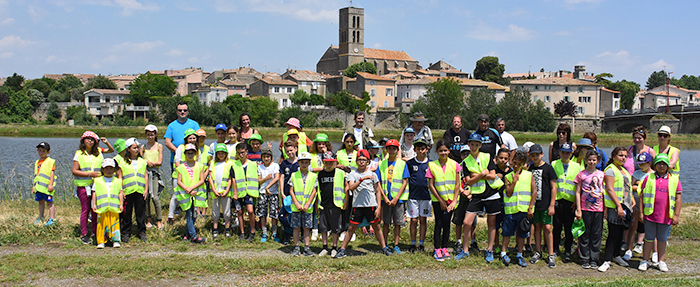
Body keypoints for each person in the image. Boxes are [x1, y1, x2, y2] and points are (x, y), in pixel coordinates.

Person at [334, 150, 393, 258]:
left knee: (376, 226)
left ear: (368, 162)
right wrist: (361, 179)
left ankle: (384, 247)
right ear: (356, 161)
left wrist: (379, 206)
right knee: (351, 227)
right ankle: (342, 249)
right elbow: (351, 188)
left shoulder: (373, 174)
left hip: (371, 204)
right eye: (359, 160)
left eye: (364, 160)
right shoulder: (353, 174)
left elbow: (377, 190)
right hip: (358, 206)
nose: (361, 162)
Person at [455, 133, 504, 262]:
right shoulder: (466, 162)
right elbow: (469, 181)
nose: (474, 147)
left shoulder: (487, 157)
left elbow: (493, 175)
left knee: (491, 223)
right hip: (476, 195)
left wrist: (476, 175)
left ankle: (489, 250)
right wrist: (482, 173)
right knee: (467, 222)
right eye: (472, 144)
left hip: (491, 193)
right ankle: (465, 250)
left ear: (480, 145)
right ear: (469, 145)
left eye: (476, 144)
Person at [637, 154, 682, 272]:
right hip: (650, 214)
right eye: (659, 163)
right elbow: (641, 195)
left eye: (664, 164)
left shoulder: (674, 180)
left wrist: (676, 215)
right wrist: (641, 212)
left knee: (662, 239)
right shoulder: (649, 177)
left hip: (666, 215)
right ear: (655, 165)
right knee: (649, 238)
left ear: (668, 166)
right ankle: (645, 260)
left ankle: (661, 261)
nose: (661, 166)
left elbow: (678, 198)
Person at [72, 131, 114, 245]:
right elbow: (74, 170)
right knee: (86, 210)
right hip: (84, 186)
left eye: (92, 139)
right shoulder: (79, 154)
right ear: (83, 140)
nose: (89, 141)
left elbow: (111, 150)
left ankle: (96, 233)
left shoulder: (99, 151)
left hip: (97, 185)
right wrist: (89, 174)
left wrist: (106, 142)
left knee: (96, 210)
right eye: (87, 139)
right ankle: (84, 234)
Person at [598, 147, 635, 272]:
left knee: (620, 233)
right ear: (614, 156)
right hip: (615, 206)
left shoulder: (624, 171)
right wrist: (618, 206)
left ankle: (616, 255)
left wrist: (632, 201)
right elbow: (609, 189)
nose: (623, 158)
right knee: (613, 234)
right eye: (620, 155)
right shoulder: (610, 170)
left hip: (626, 206)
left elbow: (627, 188)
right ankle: (607, 259)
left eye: (625, 156)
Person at [427, 140, 461, 261]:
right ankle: (437, 249)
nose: (443, 153)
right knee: (439, 223)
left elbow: (458, 184)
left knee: (447, 224)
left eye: (445, 150)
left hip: (451, 200)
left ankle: (445, 247)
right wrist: (440, 201)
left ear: (449, 151)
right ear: (437, 151)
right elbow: (431, 185)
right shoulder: (432, 165)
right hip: (438, 200)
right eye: (441, 150)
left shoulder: (455, 164)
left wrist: (454, 201)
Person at [501, 150, 536, 267]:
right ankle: (503, 253)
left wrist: (530, 207)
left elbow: (534, 191)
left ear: (523, 164)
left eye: (519, 164)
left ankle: (519, 255)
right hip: (511, 210)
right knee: (507, 233)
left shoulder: (529, 175)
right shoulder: (508, 176)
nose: (516, 166)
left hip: (523, 210)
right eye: (514, 163)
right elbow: (509, 193)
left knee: (522, 234)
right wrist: (514, 181)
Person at [527, 144, 558, 268]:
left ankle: (550, 254)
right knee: (537, 227)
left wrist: (552, 205)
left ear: (542, 154)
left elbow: (553, 187)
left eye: (537, 154)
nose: (535, 157)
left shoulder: (549, 168)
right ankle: (538, 251)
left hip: (546, 203)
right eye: (533, 155)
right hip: (535, 204)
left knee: (548, 228)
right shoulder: (530, 168)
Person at [574, 149, 605, 269]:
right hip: (585, 208)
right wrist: (578, 209)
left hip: (598, 209)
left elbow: (604, 193)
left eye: (594, 160)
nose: (591, 162)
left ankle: (594, 258)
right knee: (585, 233)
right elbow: (577, 192)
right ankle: (584, 258)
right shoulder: (581, 174)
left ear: (597, 161)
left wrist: (605, 210)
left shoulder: (602, 175)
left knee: (596, 234)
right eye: (589, 160)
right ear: (586, 160)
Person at [377, 139, 410, 255]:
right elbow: (379, 182)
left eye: (394, 148)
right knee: (386, 222)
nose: (391, 150)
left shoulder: (402, 164)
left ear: (397, 150)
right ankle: (384, 244)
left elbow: (404, 182)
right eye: (389, 148)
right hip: (386, 198)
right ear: (386, 149)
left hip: (398, 199)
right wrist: (385, 198)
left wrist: (396, 198)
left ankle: (396, 245)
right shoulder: (382, 164)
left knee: (398, 222)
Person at [552, 143, 582, 263]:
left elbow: (579, 185)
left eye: (568, 152)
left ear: (571, 153)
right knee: (557, 226)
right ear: (559, 152)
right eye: (563, 152)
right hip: (558, 200)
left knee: (569, 227)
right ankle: (555, 249)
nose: (565, 154)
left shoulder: (576, 166)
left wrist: (576, 201)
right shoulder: (554, 164)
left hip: (570, 201)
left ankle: (568, 250)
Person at [316, 151, 347, 257]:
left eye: (331, 162)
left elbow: (346, 187)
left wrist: (345, 201)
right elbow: (317, 190)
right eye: (326, 162)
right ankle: (324, 247)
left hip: (336, 204)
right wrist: (317, 204)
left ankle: (334, 247)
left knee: (335, 228)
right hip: (323, 204)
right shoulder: (320, 174)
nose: (329, 164)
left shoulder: (340, 173)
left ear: (335, 162)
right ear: (323, 162)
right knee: (323, 227)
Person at [174, 144, 206, 243]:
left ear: (195, 154)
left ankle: (187, 235)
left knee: (194, 215)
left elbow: (202, 180)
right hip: (186, 194)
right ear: (185, 154)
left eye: (192, 153)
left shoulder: (200, 166)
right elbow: (179, 181)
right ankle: (193, 236)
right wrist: (188, 189)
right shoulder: (181, 167)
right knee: (189, 214)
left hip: (196, 194)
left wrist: (192, 188)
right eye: (188, 153)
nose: (190, 155)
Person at [624, 152, 653, 261]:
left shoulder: (653, 174)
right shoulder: (636, 173)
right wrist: (639, 186)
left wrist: (638, 185)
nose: (641, 166)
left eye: (643, 163)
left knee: (651, 228)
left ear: (649, 163)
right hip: (636, 202)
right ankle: (629, 249)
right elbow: (631, 186)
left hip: (649, 203)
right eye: (639, 164)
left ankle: (653, 252)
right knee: (633, 225)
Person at [288, 151, 318, 256]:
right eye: (302, 162)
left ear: (309, 163)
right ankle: (296, 247)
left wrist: (308, 204)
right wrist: (296, 203)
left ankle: (306, 247)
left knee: (306, 228)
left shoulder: (313, 176)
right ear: (299, 163)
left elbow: (314, 191)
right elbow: (291, 190)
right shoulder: (294, 175)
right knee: (296, 227)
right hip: (296, 207)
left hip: (307, 207)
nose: (304, 165)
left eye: (306, 162)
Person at [167, 129, 199, 225]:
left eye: (194, 138)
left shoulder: (197, 150)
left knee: (193, 196)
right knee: (176, 196)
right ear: (186, 139)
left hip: (192, 177)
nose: (192, 140)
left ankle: (193, 216)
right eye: (190, 138)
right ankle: (170, 216)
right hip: (179, 176)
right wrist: (184, 172)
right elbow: (177, 162)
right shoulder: (181, 148)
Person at [120, 137, 149, 243]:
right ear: (128, 149)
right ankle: (126, 232)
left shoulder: (142, 161)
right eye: (134, 148)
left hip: (140, 190)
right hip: (128, 190)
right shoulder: (123, 162)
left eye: (137, 148)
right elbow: (120, 177)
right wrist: (121, 190)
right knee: (127, 213)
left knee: (140, 212)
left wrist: (146, 189)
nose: (136, 150)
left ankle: (141, 231)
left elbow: (145, 176)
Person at [91, 158, 124, 249]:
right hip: (102, 207)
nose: (109, 171)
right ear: (102, 169)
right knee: (101, 224)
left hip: (114, 206)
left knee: (114, 224)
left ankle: (115, 240)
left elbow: (120, 192)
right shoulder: (97, 180)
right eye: (106, 168)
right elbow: (94, 193)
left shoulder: (117, 181)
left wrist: (121, 204)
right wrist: (93, 204)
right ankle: (101, 241)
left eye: (111, 168)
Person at [406, 139, 431, 253]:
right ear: (414, 149)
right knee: (413, 220)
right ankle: (412, 243)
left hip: (426, 196)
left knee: (423, 220)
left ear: (426, 149)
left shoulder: (431, 163)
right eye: (418, 149)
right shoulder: (410, 163)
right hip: (413, 195)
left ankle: (421, 243)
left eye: (423, 149)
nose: (420, 151)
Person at [232, 142, 260, 242]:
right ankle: (242, 232)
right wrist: (235, 193)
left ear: (246, 152)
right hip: (239, 192)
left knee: (251, 211)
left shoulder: (253, 164)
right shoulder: (234, 165)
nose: (241, 155)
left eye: (243, 152)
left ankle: (252, 231)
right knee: (240, 212)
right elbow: (233, 180)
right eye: (239, 153)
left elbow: (258, 177)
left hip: (250, 192)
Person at [164, 102, 200, 176]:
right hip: (177, 160)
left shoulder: (194, 124)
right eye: (180, 110)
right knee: (177, 182)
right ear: (176, 112)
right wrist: (178, 151)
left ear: (188, 111)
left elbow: (199, 140)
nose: (182, 112)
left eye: (185, 110)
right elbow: (167, 142)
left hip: (193, 160)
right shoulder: (171, 125)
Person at [141, 125, 164, 230]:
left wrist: (152, 163)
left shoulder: (159, 146)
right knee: (146, 198)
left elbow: (160, 162)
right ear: (146, 135)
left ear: (155, 135)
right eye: (148, 134)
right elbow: (139, 160)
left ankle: (159, 220)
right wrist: (146, 162)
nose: (150, 137)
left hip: (154, 173)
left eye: (152, 134)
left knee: (155, 197)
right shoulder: (143, 147)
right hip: (144, 173)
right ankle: (148, 219)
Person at [208, 143, 233, 240]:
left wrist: (227, 190)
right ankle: (215, 230)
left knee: (227, 212)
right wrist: (214, 190)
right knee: (215, 212)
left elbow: (230, 178)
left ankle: (227, 230)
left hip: (225, 192)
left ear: (226, 154)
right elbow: (210, 177)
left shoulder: (229, 163)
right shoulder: (213, 163)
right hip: (215, 191)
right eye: (219, 153)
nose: (221, 155)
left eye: (223, 153)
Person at [256, 147, 280, 243]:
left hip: (273, 192)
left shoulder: (275, 166)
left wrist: (268, 187)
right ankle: (264, 232)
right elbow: (259, 181)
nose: (266, 159)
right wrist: (266, 179)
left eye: (268, 157)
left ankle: (274, 233)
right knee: (262, 213)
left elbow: (276, 178)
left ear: (271, 157)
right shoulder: (259, 167)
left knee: (274, 214)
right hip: (262, 193)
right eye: (264, 157)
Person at [279, 140, 299, 244]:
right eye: (287, 151)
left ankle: (300, 236)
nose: (289, 152)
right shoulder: (284, 163)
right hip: (287, 194)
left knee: (297, 215)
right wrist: (282, 193)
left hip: (298, 194)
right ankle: (287, 234)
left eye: (291, 150)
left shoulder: (300, 162)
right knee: (283, 216)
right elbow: (282, 178)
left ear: (295, 149)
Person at [32, 142, 56, 226]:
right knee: (40, 202)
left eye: (43, 151)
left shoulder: (50, 161)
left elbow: (52, 173)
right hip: (39, 187)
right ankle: (41, 217)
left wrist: (51, 184)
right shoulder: (37, 162)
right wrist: (34, 186)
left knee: (49, 202)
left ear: (47, 152)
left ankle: (52, 219)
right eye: (39, 150)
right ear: (37, 150)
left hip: (47, 187)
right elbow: (36, 175)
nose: (41, 153)